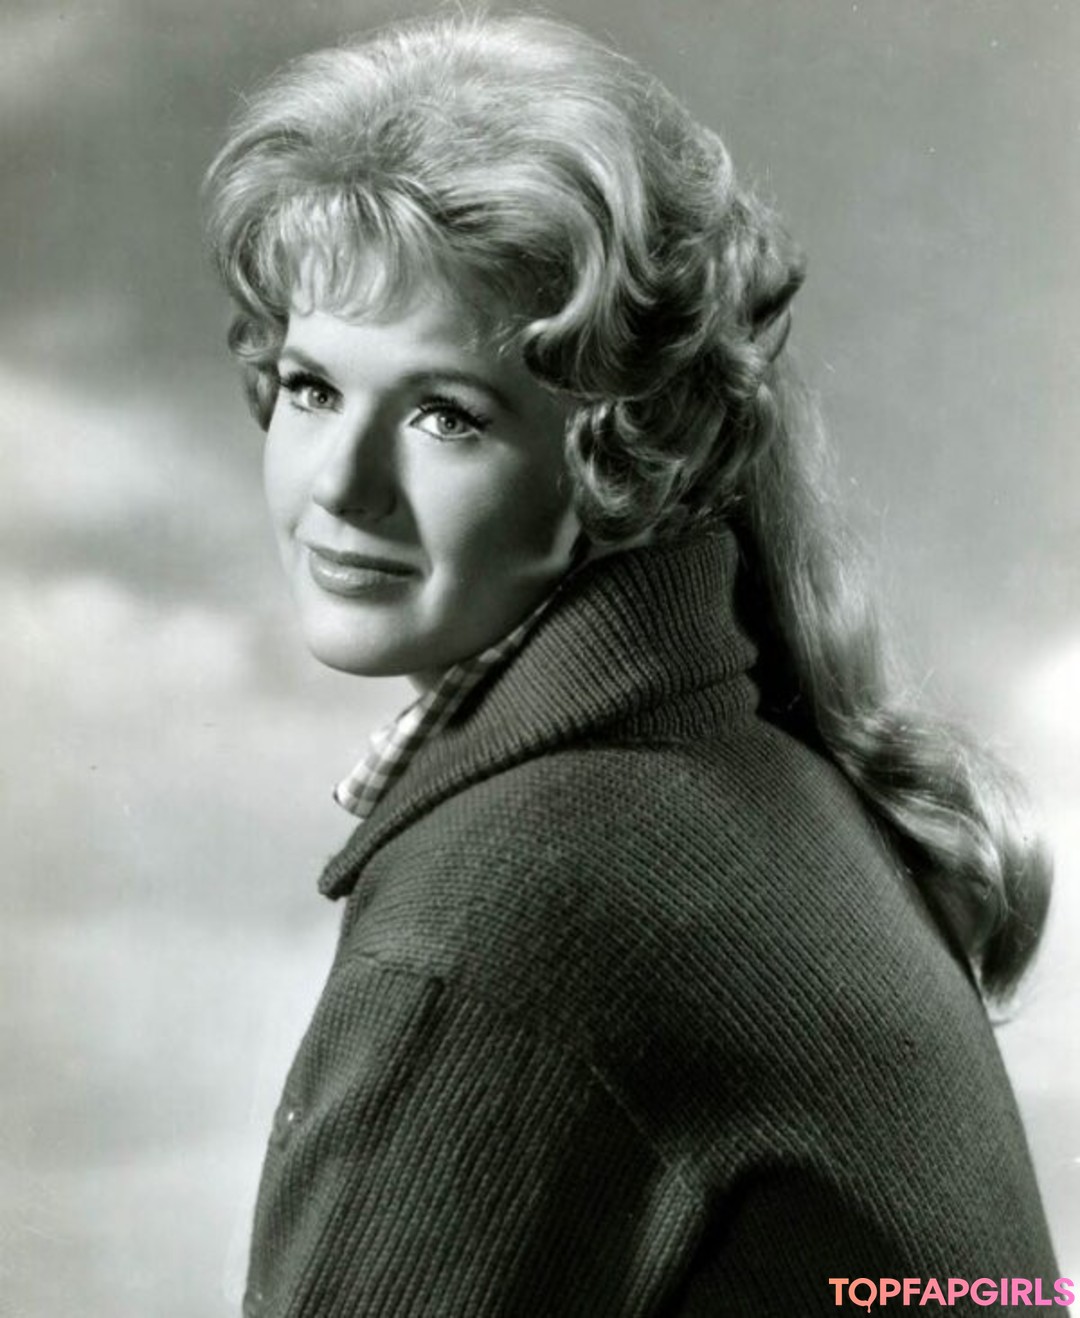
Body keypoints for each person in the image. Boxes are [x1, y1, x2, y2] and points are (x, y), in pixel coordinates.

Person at [202, 12, 1062, 1316]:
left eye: (443, 413)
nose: (341, 487)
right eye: (314, 387)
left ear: (617, 452)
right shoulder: (739, 771)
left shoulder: (521, 898)